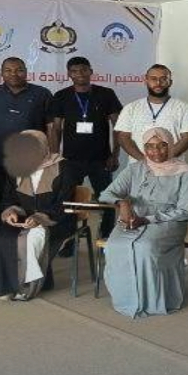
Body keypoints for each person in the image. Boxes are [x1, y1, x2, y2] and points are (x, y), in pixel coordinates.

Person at [98, 126, 188, 319]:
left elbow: (184, 211)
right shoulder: (135, 169)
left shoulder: (186, 173)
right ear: (144, 148)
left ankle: (151, 301)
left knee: (145, 246)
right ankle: (126, 299)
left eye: (162, 145)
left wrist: (147, 219)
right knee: (114, 245)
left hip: (169, 222)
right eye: (150, 146)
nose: (156, 151)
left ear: (170, 145)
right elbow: (106, 194)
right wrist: (122, 203)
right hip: (133, 220)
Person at [0, 130, 78, 301]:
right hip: (23, 219)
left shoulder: (64, 168)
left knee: (29, 240)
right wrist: (11, 212)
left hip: (56, 220)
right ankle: (6, 286)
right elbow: (8, 199)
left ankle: (27, 287)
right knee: (2, 239)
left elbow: (65, 203)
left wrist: (40, 218)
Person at [48, 55, 124, 239]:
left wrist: (115, 155)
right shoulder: (61, 96)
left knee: (107, 200)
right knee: (66, 200)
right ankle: (67, 239)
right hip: (70, 160)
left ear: (91, 71)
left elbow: (118, 126)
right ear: (69, 74)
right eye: (74, 71)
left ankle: (106, 238)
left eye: (83, 70)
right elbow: (55, 129)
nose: (80, 74)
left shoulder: (106, 94)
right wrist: (54, 157)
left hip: (101, 159)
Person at [0, 56, 53, 185]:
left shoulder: (42, 94)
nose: (13, 74)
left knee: (31, 196)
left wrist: (52, 158)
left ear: (26, 71)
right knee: (2, 196)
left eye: (19, 70)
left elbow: (51, 128)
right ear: (1, 73)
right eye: (8, 70)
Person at [112, 64, 188, 160]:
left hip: (173, 166)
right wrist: (143, 161)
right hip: (139, 165)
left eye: (163, 79)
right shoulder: (131, 108)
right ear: (146, 81)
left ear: (170, 82)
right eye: (153, 79)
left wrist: (164, 160)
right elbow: (123, 138)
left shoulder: (184, 108)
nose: (158, 83)